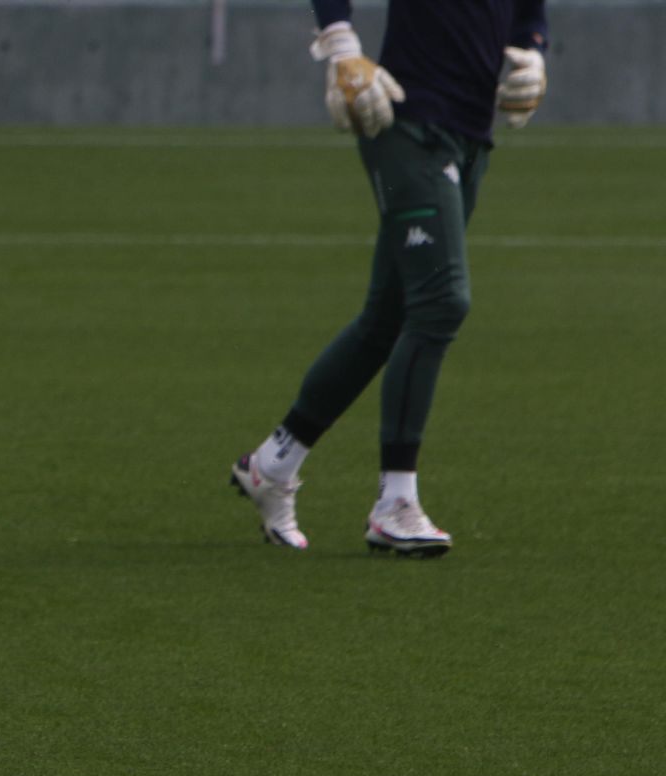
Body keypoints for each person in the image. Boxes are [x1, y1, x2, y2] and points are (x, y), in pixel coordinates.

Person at [230, 0, 548, 557]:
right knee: (442, 303)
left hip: (471, 134)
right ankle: (395, 503)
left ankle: (272, 465)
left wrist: (535, 50)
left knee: (387, 317)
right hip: (405, 120)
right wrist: (342, 47)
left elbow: (529, 10)